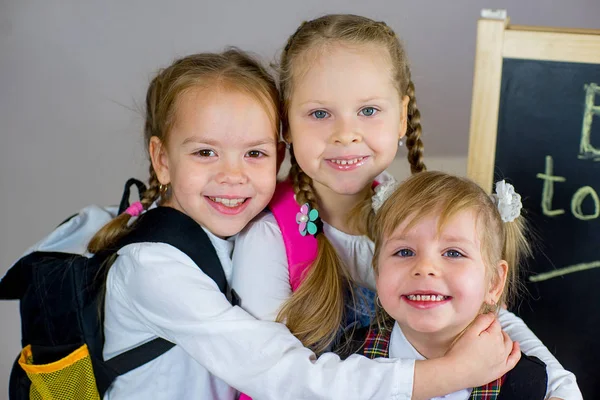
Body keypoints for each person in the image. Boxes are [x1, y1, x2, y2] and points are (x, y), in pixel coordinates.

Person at [83, 49, 517, 400]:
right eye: (205, 153)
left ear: (280, 151)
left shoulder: (244, 227)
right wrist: (446, 374)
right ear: (162, 160)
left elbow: (476, 305)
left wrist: (556, 384)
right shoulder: (153, 267)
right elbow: (283, 375)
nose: (232, 175)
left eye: (254, 153)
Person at [232, 14, 580, 399]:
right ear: (286, 124)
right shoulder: (268, 237)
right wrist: (451, 372)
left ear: (401, 117)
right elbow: (275, 378)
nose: (345, 134)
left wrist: (559, 386)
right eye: (319, 113)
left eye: (368, 111)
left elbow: (483, 309)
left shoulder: (406, 212)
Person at [341, 171, 581, 399]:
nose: (425, 267)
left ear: (494, 283)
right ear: (378, 272)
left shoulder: (527, 383)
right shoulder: (345, 361)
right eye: (404, 251)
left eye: (453, 253)